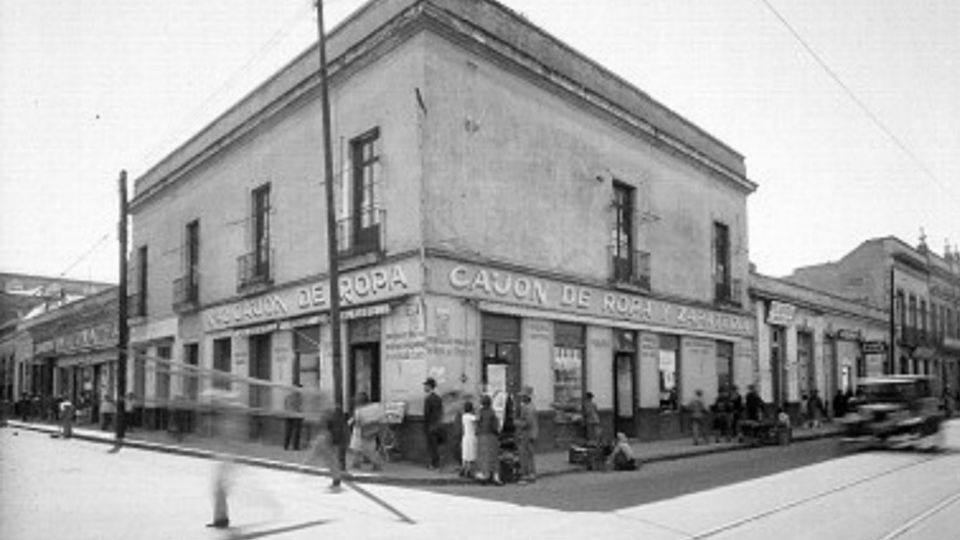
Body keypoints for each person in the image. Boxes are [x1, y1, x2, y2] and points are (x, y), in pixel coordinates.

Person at [349, 392, 383, 471]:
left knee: (359, 448)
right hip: (373, 429)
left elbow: (357, 422)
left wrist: (351, 422)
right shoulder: (376, 406)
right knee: (370, 448)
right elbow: (381, 417)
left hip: (362, 431)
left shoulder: (359, 410)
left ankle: (376, 464)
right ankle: (357, 463)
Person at [475, 394, 502, 485]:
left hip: (481, 436)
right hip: (491, 436)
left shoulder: (480, 412)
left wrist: (478, 432)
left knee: (483, 456)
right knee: (493, 456)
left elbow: (477, 424)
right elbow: (495, 426)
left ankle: (484, 474)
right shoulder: (492, 413)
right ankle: (495, 476)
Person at [515, 386, 538, 484]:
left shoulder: (528, 408)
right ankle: (531, 474)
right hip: (531, 433)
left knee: (525, 455)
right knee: (529, 455)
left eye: (523, 396)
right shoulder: (529, 406)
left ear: (527, 396)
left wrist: (516, 422)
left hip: (527, 434)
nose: (521, 398)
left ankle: (526, 475)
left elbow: (527, 423)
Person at [423, 377, 444, 470]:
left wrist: (425, 426)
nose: (424, 388)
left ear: (429, 386)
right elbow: (441, 412)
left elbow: (427, 414)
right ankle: (437, 464)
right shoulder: (438, 398)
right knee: (435, 446)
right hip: (438, 424)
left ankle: (433, 464)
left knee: (432, 446)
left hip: (430, 425)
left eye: (426, 386)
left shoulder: (428, 399)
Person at [283, 385, 303, 451]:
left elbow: (285, 405)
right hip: (296, 416)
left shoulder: (288, 396)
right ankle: (295, 446)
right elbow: (300, 407)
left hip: (288, 415)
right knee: (296, 432)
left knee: (288, 431)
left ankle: (286, 446)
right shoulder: (299, 398)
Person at [460, 401, 477, 478]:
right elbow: (477, 422)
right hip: (472, 436)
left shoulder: (463, 416)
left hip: (465, 436)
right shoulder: (472, 417)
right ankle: (469, 471)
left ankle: (463, 469)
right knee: (471, 454)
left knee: (465, 454)